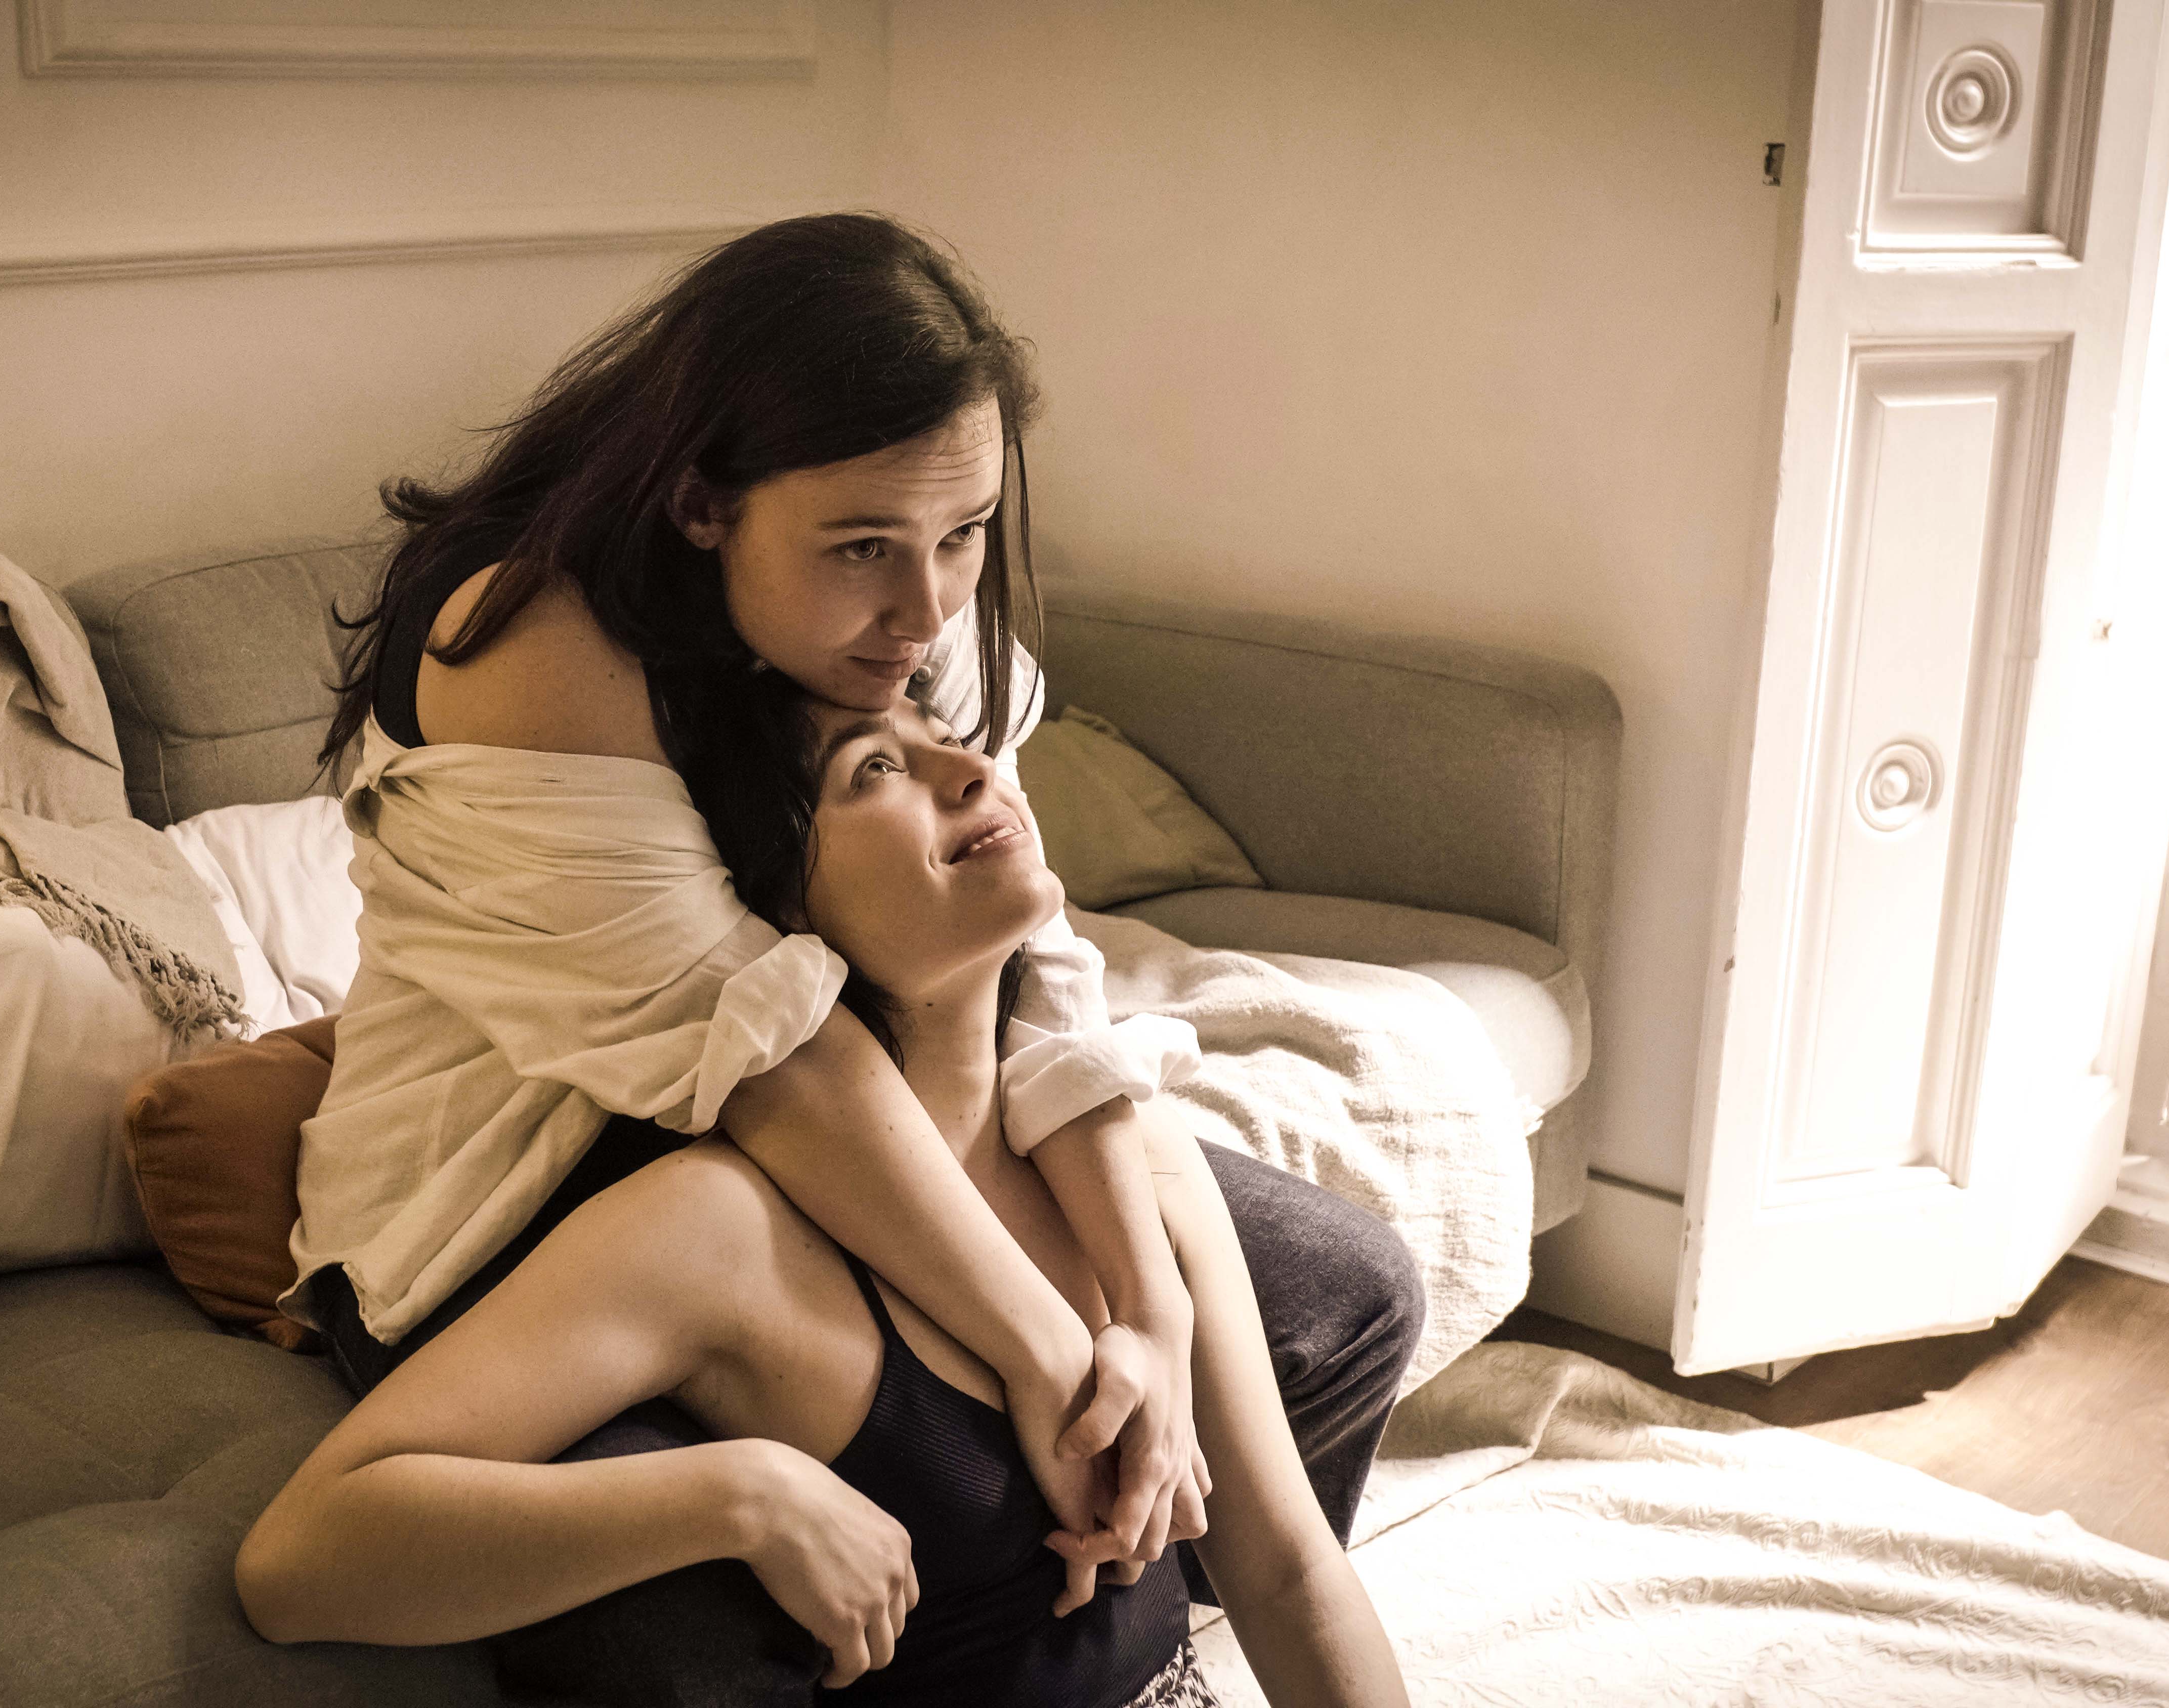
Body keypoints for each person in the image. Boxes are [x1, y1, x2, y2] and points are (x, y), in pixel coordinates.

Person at [281, 211, 1424, 1696]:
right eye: (868, 547)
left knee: (1336, 1290)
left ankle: (1119, 1627)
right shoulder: (537, 642)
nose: (931, 607)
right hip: (535, 1191)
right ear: (702, 505)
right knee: (697, 1622)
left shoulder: (895, 606)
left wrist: (1148, 1316)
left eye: (966, 535)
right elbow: (777, 1059)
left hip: (816, 1106)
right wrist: (1054, 1362)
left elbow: (1033, 969)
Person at [240, 682, 1415, 1707]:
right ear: (776, 907)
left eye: (945, 730)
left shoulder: (1134, 1157)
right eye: (875, 769)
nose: (969, 769)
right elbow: (296, 1561)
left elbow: (1286, 1574)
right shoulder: (716, 1229)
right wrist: (737, 1494)